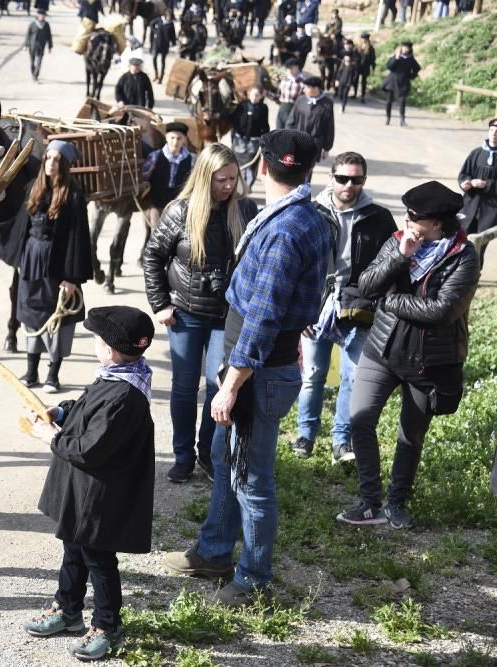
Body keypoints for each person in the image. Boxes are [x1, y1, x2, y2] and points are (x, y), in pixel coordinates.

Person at [160, 129, 333, 606]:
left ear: (261, 166)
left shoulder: (283, 229)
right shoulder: (310, 216)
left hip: (256, 372)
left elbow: (263, 315)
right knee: (223, 459)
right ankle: (214, 551)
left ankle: (253, 578)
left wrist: (231, 383)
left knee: (253, 481)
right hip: (256, 365)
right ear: (309, 170)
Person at [337, 181, 479, 529]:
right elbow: (366, 285)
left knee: (410, 436)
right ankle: (370, 501)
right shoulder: (400, 239)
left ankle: (396, 502)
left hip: (427, 361)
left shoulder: (464, 256)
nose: (408, 219)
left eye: (416, 216)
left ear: (439, 223)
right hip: (382, 349)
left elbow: (441, 311)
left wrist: (389, 301)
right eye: (408, 213)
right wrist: (401, 256)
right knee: (360, 419)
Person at [23, 306, 156, 662]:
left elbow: (90, 449)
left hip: (100, 496)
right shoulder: (115, 376)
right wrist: (60, 412)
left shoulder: (126, 397)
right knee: (73, 550)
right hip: (84, 492)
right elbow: (84, 406)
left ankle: (107, 626)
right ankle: (67, 610)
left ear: (110, 349)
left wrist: (48, 436)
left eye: (96, 340)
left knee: (98, 559)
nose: (94, 345)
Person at [143, 144, 259, 483]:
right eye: (221, 180)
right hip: (185, 312)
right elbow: (153, 256)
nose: (228, 186)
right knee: (183, 387)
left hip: (226, 315)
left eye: (233, 179)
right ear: (205, 178)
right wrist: (160, 304)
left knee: (218, 385)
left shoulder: (246, 209)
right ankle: (182, 456)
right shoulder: (180, 211)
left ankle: (208, 452)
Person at [290, 152, 397, 462]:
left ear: (364, 180)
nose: (349, 185)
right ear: (330, 178)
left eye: (357, 179)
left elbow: (390, 267)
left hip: (359, 306)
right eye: (343, 178)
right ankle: (305, 434)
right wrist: (300, 309)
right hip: (317, 305)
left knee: (352, 376)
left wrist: (379, 305)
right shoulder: (311, 212)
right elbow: (296, 264)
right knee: (313, 374)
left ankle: (341, 441)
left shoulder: (379, 217)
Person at [16, 141, 95, 394]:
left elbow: (78, 238)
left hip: (57, 266)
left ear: (65, 165)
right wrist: (18, 257)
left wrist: (71, 277)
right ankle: (31, 371)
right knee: (31, 315)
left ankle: (53, 374)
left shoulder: (73, 196)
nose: (50, 163)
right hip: (31, 261)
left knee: (56, 319)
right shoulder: (32, 188)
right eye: (48, 158)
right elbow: (21, 228)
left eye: (57, 160)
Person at [457, 118, 497, 266]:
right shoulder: (476, 153)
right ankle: (459, 270)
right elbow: (463, 174)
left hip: (490, 210)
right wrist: (466, 183)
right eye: (492, 130)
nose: (494, 134)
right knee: (462, 238)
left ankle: (474, 273)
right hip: (470, 205)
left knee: (480, 242)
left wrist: (487, 184)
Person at [142, 122, 196, 220]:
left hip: (179, 207)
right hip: (156, 204)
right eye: (172, 138)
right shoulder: (155, 156)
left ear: (184, 139)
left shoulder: (192, 159)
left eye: (179, 138)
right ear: (166, 137)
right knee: (158, 232)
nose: (175, 142)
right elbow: (144, 177)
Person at [229, 85, 270, 189]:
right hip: (240, 141)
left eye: (257, 95)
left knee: (251, 165)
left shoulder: (263, 108)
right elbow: (233, 120)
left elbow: (265, 125)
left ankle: (248, 186)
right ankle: (238, 187)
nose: (254, 97)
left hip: (254, 141)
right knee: (238, 164)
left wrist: (265, 139)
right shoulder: (242, 106)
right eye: (253, 94)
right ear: (248, 94)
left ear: (260, 96)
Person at [287, 75, 335, 162]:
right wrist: (288, 139)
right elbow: (291, 121)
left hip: (315, 144)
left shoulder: (327, 103)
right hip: (298, 141)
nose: (304, 90)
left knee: (307, 170)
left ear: (315, 88)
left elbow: (329, 127)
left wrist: (327, 148)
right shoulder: (300, 100)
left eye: (306, 87)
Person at [382, 41, 420, 127]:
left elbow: (417, 68)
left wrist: (410, 76)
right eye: (404, 47)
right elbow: (389, 66)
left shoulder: (410, 59)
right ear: (401, 48)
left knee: (402, 102)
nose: (405, 49)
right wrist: (396, 58)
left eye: (407, 48)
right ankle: (388, 118)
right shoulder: (396, 56)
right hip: (391, 82)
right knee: (388, 102)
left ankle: (402, 120)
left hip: (403, 83)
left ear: (410, 49)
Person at [148, 10, 177, 84]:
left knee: (163, 61)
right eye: (168, 16)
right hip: (156, 43)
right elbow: (151, 24)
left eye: (170, 17)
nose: (168, 18)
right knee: (154, 58)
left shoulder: (171, 24)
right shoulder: (159, 20)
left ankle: (161, 77)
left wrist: (173, 43)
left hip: (165, 45)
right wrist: (155, 31)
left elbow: (173, 35)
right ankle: (156, 73)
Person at [25, 9, 54, 82]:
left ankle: (35, 76)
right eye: (42, 16)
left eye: (44, 16)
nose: (43, 17)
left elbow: (49, 36)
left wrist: (50, 46)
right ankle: (33, 72)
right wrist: (26, 45)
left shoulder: (46, 25)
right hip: (32, 46)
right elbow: (28, 35)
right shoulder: (32, 24)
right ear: (37, 16)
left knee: (39, 62)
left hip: (41, 46)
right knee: (32, 62)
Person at [276, 58, 304, 129]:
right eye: (288, 68)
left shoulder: (302, 81)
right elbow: (278, 95)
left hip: (294, 111)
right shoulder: (283, 79)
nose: (290, 70)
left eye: (291, 68)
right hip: (281, 110)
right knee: (278, 134)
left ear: (297, 67)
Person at [354, 32, 376, 104]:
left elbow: (373, 58)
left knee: (364, 82)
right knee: (355, 80)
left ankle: (362, 96)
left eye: (365, 39)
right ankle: (355, 93)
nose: (363, 40)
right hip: (358, 66)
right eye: (362, 38)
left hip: (365, 67)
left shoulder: (370, 48)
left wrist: (373, 67)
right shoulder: (358, 46)